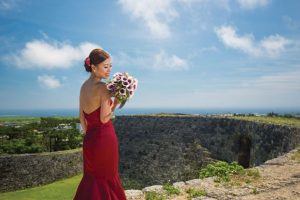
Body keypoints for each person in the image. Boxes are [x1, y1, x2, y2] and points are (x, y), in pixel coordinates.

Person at [73, 48, 127, 200]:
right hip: (104, 140)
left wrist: (90, 135)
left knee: (91, 179)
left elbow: (82, 119)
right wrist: (116, 102)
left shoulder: (83, 87)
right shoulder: (103, 88)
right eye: (105, 66)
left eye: (110, 66)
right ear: (93, 67)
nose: (109, 70)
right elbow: (104, 118)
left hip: (90, 141)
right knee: (107, 178)